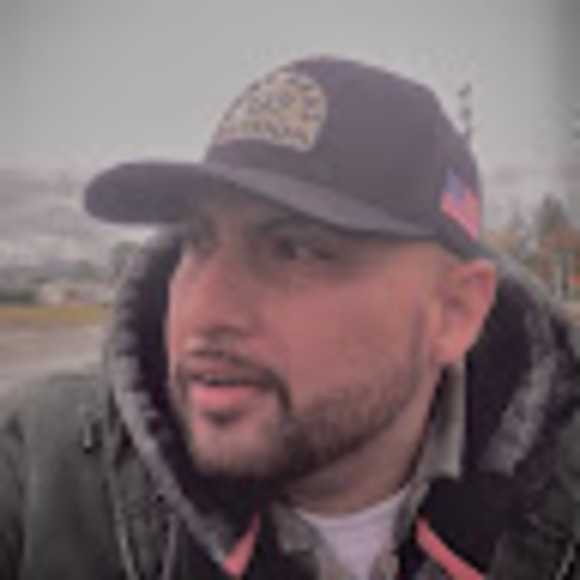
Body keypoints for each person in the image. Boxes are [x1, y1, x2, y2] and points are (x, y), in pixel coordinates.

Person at [1, 56, 580, 580]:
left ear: (453, 314)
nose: (202, 313)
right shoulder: (36, 474)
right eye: (197, 240)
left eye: (294, 250)